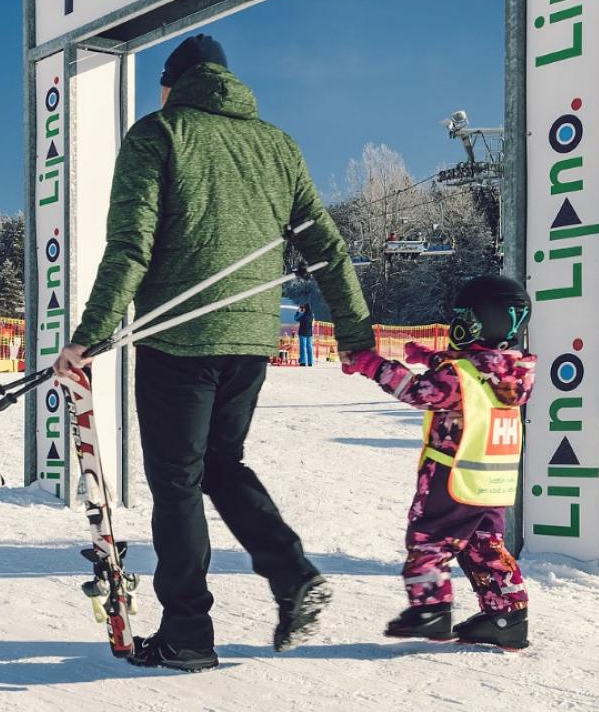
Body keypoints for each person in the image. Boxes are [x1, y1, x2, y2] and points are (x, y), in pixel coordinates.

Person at [54, 33, 374, 672]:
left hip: (181, 337)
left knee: (177, 483)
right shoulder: (278, 145)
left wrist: (88, 335)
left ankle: (188, 634)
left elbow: (131, 247)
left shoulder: (160, 132)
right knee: (223, 466)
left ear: (171, 84)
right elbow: (327, 248)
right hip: (253, 338)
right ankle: (292, 575)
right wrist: (357, 333)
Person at [341, 274, 535, 649]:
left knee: (429, 539)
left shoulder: (459, 375)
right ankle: (508, 617)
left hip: (452, 475)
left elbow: (420, 391)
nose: (457, 324)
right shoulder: (512, 370)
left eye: (467, 316)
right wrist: (429, 356)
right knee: (484, 547)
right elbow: (478, 365)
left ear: (490, 320)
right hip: (492, 481)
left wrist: (370, 363)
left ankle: (432, 610)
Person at [295, 302, 314, 367]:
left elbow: (296, 318)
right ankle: (310, 362)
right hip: (309, 333)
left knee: (303, 347)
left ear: (305, 308)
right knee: (309, 348)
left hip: (302, 333)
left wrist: (298, 311)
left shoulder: (303, 315)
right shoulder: (312, 315)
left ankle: (303, 362)